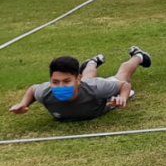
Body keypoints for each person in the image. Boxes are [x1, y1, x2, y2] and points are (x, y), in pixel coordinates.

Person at [8, 47, 153, 122]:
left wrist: (123, 98)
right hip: (85, 83)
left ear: (77, 80)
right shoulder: (46, 92)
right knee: (88, 77)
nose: (60, 86)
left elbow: (124, 85)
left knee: (122, 76)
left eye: (66, 81)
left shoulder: (96, 88)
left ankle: (138, 55)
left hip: (96, 93)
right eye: (55, 82)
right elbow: (33, 90)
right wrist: (23, 103)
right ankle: (92, 62)